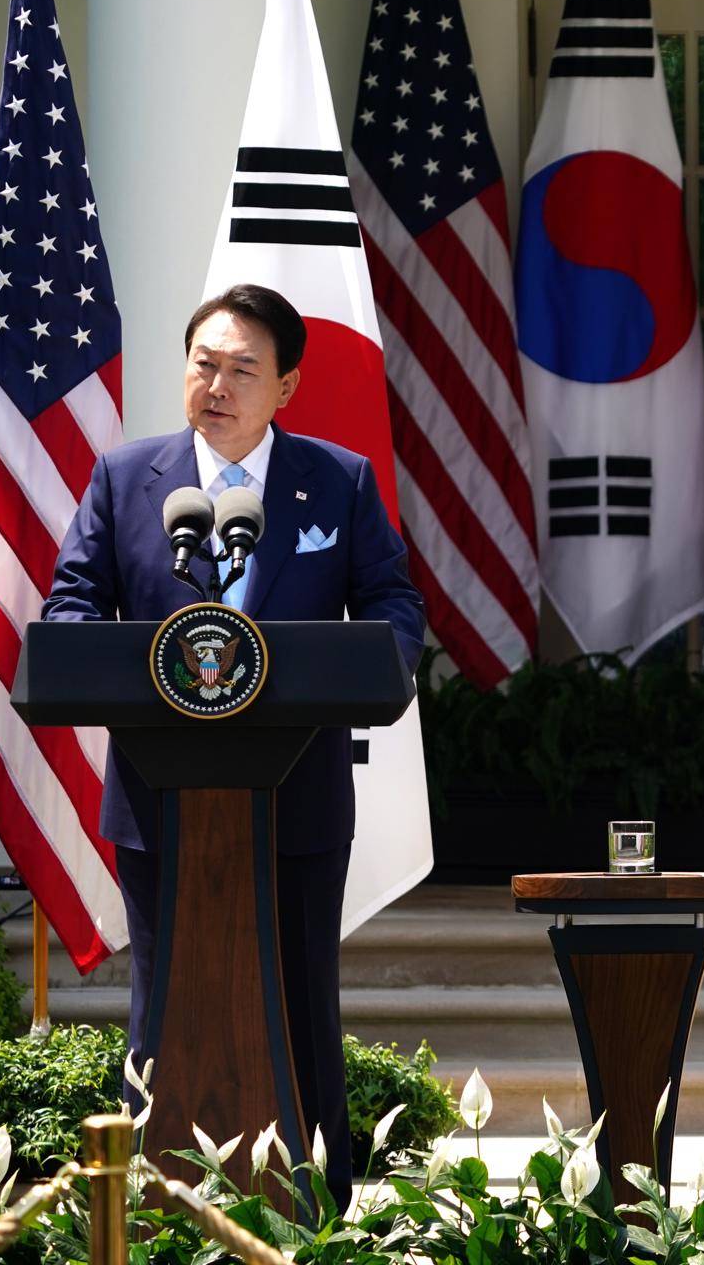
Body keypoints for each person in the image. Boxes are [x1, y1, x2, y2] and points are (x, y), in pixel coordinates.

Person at [42, 283, 425, 1208]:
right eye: (203, 364)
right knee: (164, 998)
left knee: (300, 997)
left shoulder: (338, 480)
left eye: (243, 369)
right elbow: (71, 610)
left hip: (296, 798)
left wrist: (376, 670)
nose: (217, 384)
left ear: (285, 387)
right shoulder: (125, 478)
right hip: (158, 794)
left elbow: (393, 608)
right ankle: (147, 1202)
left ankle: (318, 1203)